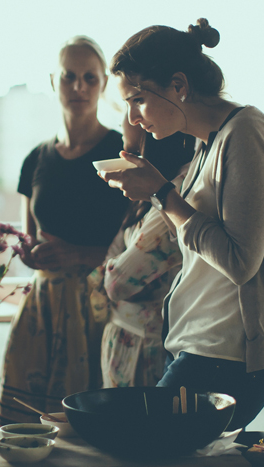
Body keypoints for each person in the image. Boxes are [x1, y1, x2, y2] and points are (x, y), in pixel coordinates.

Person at [99, 18, 264, 430]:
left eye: (137, 100)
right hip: (202, 348)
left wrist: (163, 194)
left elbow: (240, 260)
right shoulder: (206, 145)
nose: (133, 117)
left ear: (179, 85)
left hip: (229, 355)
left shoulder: (246, 132)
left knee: (140, 444)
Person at [0, 36, 130, 425]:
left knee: (91, 428)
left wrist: (78, 255)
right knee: (26, 428)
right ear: (54, 81)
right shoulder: (35, 159)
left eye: (90, 78)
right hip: (43, 307)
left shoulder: (120, 154)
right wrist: (29, 252)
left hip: (101, 308)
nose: (79, 87)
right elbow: (28, 239)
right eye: (69, 77)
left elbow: (142, 247)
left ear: (104, 83)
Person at [89, 115, 194, 388]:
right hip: (129, 340)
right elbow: (113, 258)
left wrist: (111, 267)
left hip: (147, 348)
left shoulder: (175, 199)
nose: (126, 161)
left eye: (133, 153)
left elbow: (117, 283)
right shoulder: (150, 200)